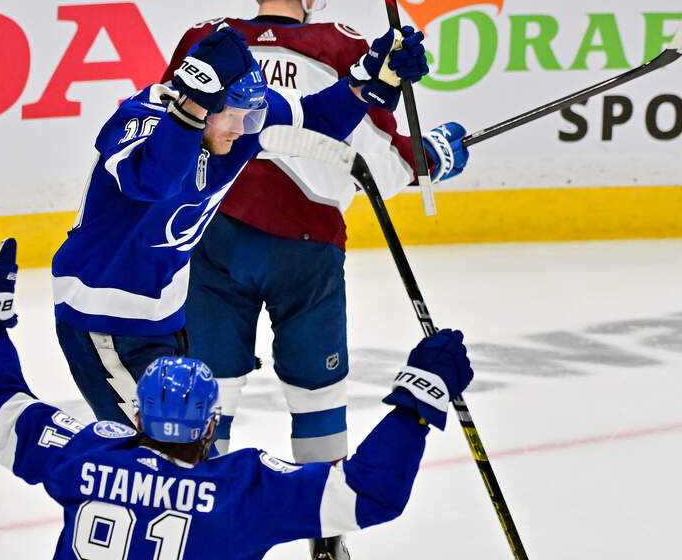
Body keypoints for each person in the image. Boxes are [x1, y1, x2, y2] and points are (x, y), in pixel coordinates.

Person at [0, 221, 474, 560]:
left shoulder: (84, 453)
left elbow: (2, 412)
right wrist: (417, 401)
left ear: (136, 415)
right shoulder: (242, 490)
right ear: (210, 427)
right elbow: (370, 493)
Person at [162, 0, 470, 560]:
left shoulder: (206, 38)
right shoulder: (342, 45)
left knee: (210, 391)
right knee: (316, 392)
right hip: (307, 248)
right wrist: (430, 156)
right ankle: (326, 534)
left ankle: (196, 525)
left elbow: (166, 138)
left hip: (212, 241)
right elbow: (378, 163)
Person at [50, 21, 428, 432]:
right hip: (101, 319)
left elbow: (318, 116)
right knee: (156, 453)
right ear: (199, 102)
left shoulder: (236, 118)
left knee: (186, 448)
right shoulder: (139, 120)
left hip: (166, 318)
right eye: (232, 117)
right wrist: (192, 109)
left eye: (250, 118)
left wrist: (367, 81)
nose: (240, 130)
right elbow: (156, 181)